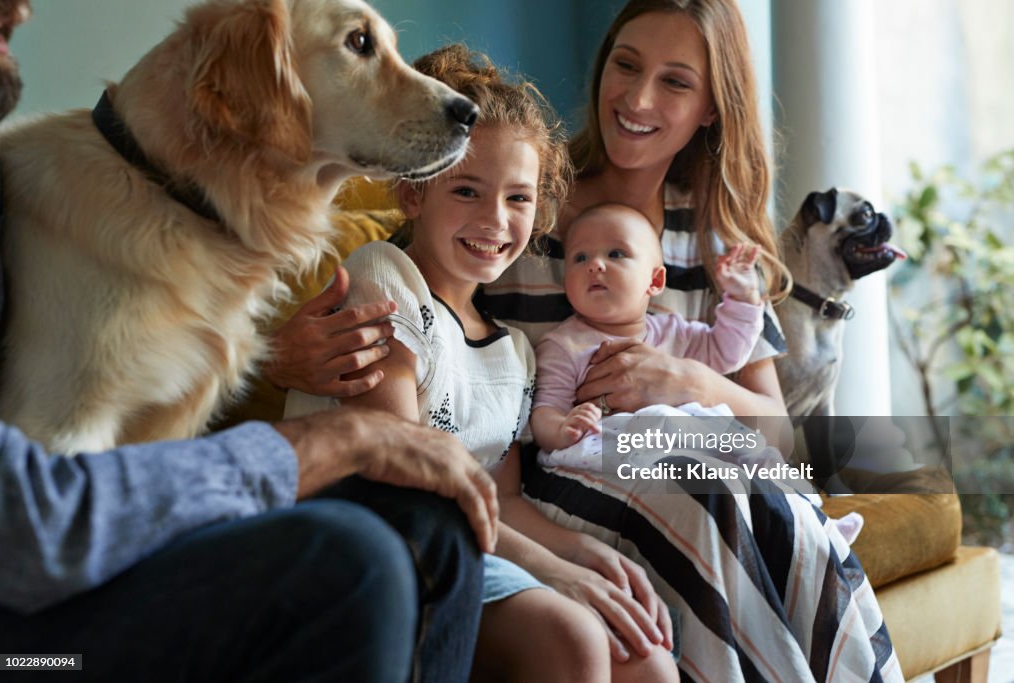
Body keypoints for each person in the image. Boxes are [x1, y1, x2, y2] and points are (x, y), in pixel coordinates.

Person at [269, 1, 903, 680]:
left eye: (676, 82)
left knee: (757, 490)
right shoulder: (526, 197)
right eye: (625, 66)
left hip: (631, 466)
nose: (636, 97)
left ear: (713, 108)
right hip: (561, 473)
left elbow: (776, 433)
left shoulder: (717, 243)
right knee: (703, 487)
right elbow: (410, 284)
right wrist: (281, 357)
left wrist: (685, 381)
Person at [0, 3, 492, 681]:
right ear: (262, 88)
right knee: (354, 562)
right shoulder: (52, 204)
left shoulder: (188, 218)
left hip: (93, 561)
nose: (23, 8)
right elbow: (31, 529)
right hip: (22, 648)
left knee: (429, 523)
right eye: (359, 46)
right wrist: (337, 442)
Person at [285, 44, 680, 683]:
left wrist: (588, 556)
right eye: (467, 190)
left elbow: (500, 495)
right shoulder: (384, 277)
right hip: (387, 538)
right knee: (573, 637)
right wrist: (554, 571)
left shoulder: (516, 352)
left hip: (475, 540)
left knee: (650, 664)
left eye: (518, 199)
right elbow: (404, 471)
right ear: (413, 194)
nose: (495, 220)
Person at [531, 202, 763, 455]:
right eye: (580, 257)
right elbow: (546, 410)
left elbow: (727, 352)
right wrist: (562, 429)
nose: (595, 264)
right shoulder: (563, 346)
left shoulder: (676, 332)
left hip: (691, 453)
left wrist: (743, 297)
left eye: (616, 254)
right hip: (614, 459)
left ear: (655, 280)